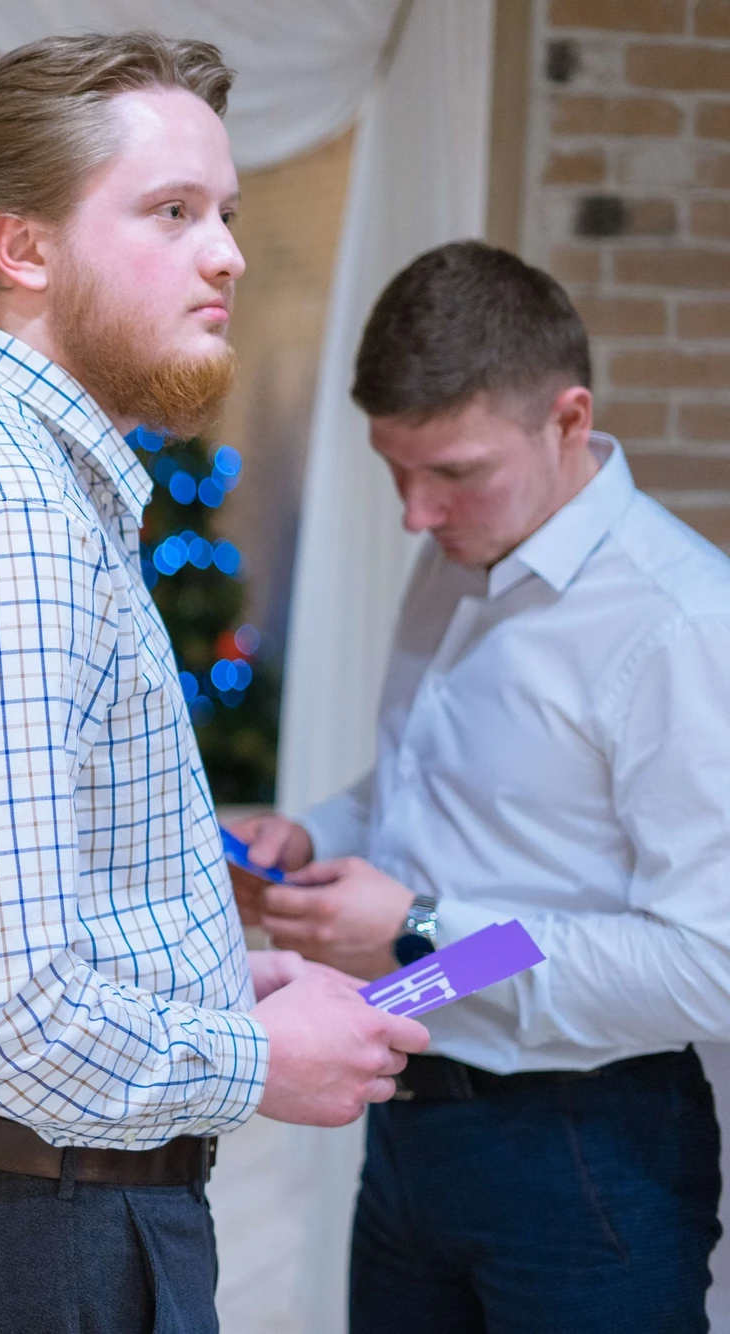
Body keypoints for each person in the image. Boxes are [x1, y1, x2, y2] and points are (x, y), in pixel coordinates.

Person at [0, 31, 430, 1334]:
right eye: (172, 211)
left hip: (9, 1216)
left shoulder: (8, 473)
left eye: (225, 212)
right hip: (30, 1233)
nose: (228, 253)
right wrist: (253, 1056)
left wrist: (206, 978)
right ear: (22, 247)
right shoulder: (2, 516)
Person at [230, 240, 730, 1333]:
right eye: (395, 470)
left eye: (452, 471)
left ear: (567, 420)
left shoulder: (683, 625)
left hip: (582, 1151)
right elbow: (433, 790)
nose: (415, 513)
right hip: (408, 1118)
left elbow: (710, 964)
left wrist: (419, 933)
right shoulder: (456, 550)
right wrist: (314, 835)